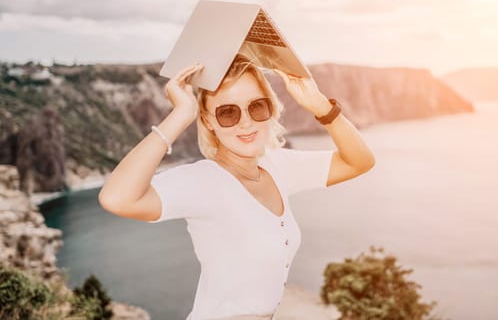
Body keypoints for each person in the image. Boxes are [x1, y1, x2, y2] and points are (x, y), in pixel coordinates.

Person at [98, 53, 375, 320]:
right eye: (227, 113)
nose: (246, 122)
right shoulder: (205, 182)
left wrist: (320, 106)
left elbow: (359, 162)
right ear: (208, 121)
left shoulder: (278, 166)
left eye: (257, 106)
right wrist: (180, 115)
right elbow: (117, 198)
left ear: (271, 108)